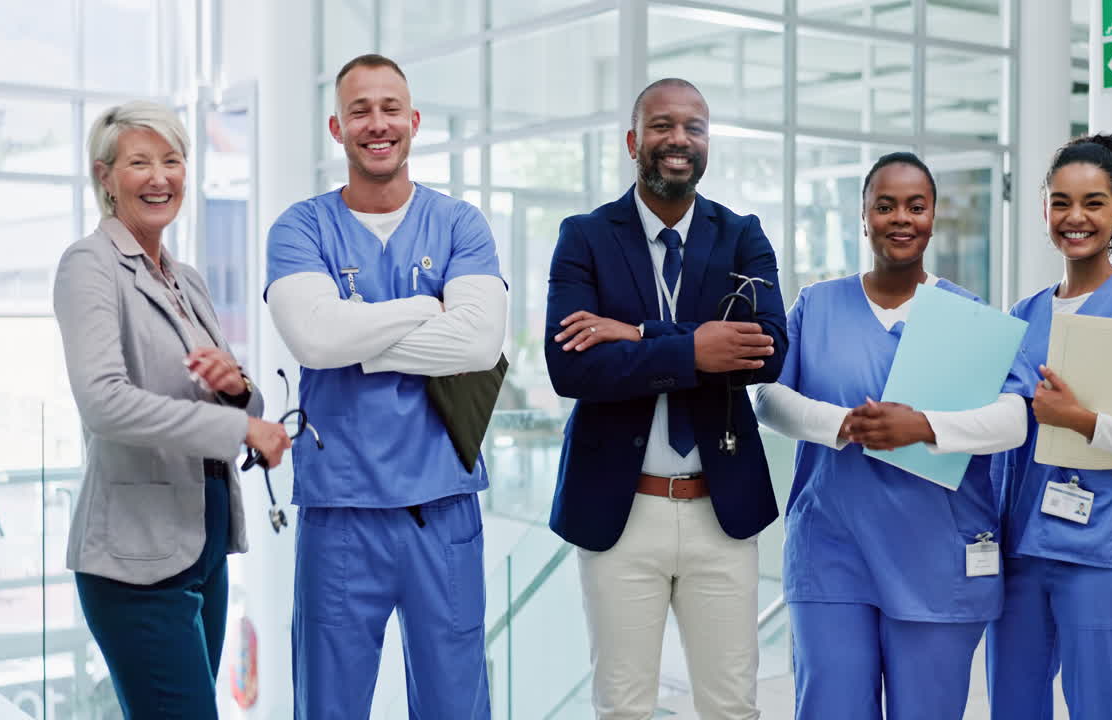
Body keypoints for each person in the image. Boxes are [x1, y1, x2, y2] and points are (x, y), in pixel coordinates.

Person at [265, 54, 506, 719]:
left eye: (390, 108)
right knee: (330, 705)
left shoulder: (461, 224)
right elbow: (313, 339)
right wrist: (426, 309)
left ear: (414, 121)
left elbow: (480, 343)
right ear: (337, 128)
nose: (378, 123)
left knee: (457, 703)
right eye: (360, 110)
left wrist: (358, 341)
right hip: (340, 512)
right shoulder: (301, 228)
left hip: (443, 509)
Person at [754, 152, 1027, 720]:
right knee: (830, 705)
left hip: (934, 555)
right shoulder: (818, 304)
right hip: (832, 549)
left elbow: (1014, 420)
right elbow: (769, 398)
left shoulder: (968, 316)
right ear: (863, 216)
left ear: (933, 217)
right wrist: (841, 425)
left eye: (915, 206)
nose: (901, 218)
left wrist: (924, 426)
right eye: (885, 206)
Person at [545, 78, 787, 720]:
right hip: (621, 512)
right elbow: (570, 368)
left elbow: (768, 351)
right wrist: (695, 349)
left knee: (732, 706)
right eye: (661, 125)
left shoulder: (742, 236)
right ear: (633, 140)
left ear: (707, 144)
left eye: (693, 127)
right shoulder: (585, 237)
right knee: (623, 708)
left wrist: (636, 335)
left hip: (721, 510)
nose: (678, 139)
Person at [54, 101, 291, 719]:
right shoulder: (90, 265)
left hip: (200, 545)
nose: (160, 176)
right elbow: (104, 402)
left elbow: (243, 395)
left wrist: (236, 389)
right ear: (105, 176)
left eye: (172, 160)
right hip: (134, 560)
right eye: (139, 162)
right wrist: (239, 425)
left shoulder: (185, 279)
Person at [986, 133, 1112, 720]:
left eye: (1094, 202)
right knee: (1013, 706)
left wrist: (1081, 421)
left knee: (1097, 706)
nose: (1075, 217)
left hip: (1097, 554)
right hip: (1021, 549)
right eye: (1060, 202)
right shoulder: (1020, 318)